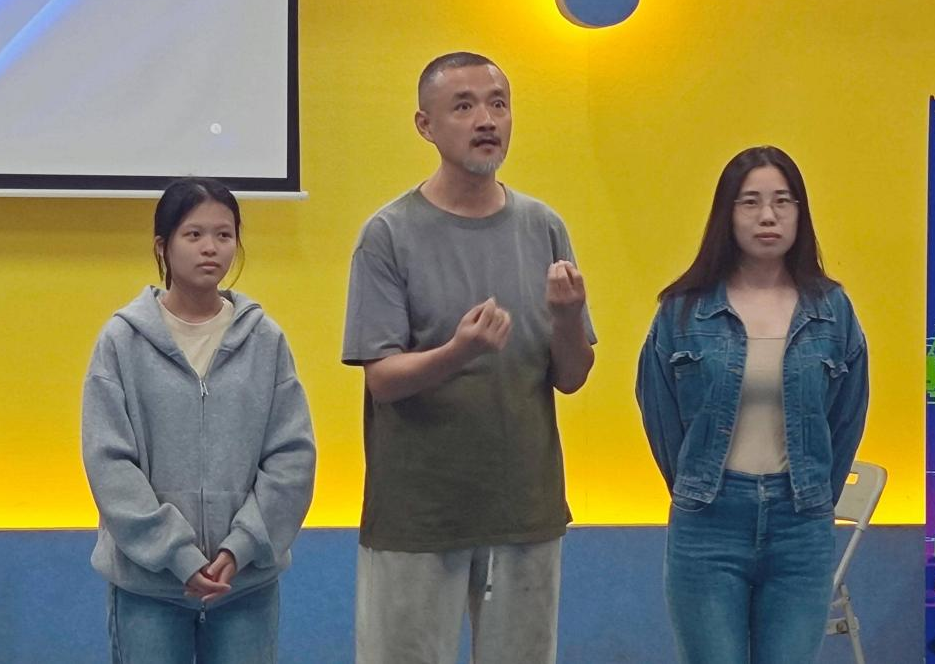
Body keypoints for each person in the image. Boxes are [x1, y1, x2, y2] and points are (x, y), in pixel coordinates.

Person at [342, 52, 596, 664]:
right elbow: (383, 380)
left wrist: (567, 319)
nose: (486, 120)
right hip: (419, 516)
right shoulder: (389, 234)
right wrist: (459, 352)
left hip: (525, 511)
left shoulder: (544, 227)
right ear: (425, 125)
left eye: (498, 104)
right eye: (464, 106)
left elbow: (571, 377)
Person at [636, 145, 869, 663]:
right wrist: (697, 485)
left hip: (801, 527)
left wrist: (814, 495)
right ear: (727, 213)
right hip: (708, 523)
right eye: (751, 202)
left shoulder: (833, 310)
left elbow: (847, 418)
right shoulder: (682, 310)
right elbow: (660, 415)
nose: (768, 216)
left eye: (783, 201)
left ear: (800, 213)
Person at [81, 177, 315, 664]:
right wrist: (178, 554)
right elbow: (110, 464)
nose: (211, 248)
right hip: (148, 588)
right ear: (162, 246)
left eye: (224, 235)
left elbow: (292, 456)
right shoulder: (122, 341)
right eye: (194, 234)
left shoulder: (265, 340)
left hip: (245, 586)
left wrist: (240, 548)